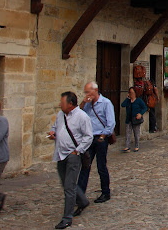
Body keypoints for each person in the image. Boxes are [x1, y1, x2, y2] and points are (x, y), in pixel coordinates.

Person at [49, 92, 93, 229]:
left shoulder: (82, 117)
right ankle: (83, 200)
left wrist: (78, 150)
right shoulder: (60, 115)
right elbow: (55, 127)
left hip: (73, 155)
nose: (59, 105)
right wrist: (52, 133)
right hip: (60, 153)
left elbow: (88, 136)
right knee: (66, 183)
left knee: (69, 186)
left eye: (62, 103)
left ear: (70, 104)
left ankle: (67, 218)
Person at [78, 81, 115, 204]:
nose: (87, 94)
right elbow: (77, 114)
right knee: (85, 166)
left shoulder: (106, 103)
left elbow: (111, 123)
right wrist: (84, 102)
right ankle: (80, 194)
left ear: (95, 90)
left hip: (100, 138)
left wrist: (103, 136)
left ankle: (105, 192)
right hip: (89, 138)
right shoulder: (88, 104)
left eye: (88, 91)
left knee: (101, 166)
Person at [121, 87, 148, 151]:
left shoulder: (138, 100)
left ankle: (137, 146)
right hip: (129, 119)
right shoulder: (128, 101)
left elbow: (144, 108)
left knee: (136, 133)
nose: (131, 94)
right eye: (130, 93)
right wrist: (127, 98)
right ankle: (127, 146)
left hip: (136, 119)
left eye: (132, 92)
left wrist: (140, 114)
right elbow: (122, 105)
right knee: (128, 133)